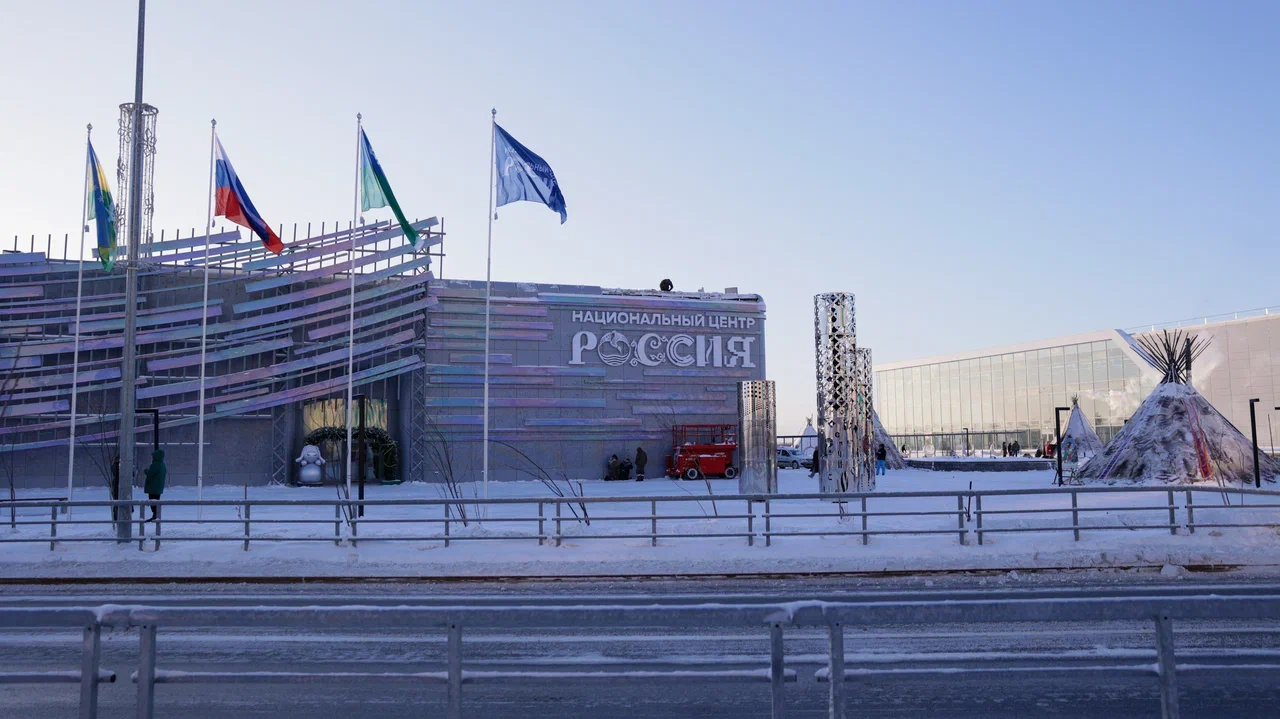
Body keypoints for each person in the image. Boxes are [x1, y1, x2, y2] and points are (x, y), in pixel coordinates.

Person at [142, 449, 166, 522]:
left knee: (152, 501)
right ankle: (156, 515)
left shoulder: (155, 465)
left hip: (153, 487)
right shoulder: (162, 465)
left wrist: (145, 470)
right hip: (158, 487)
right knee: (156, 501)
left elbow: (150, 473)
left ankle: (155, 515)